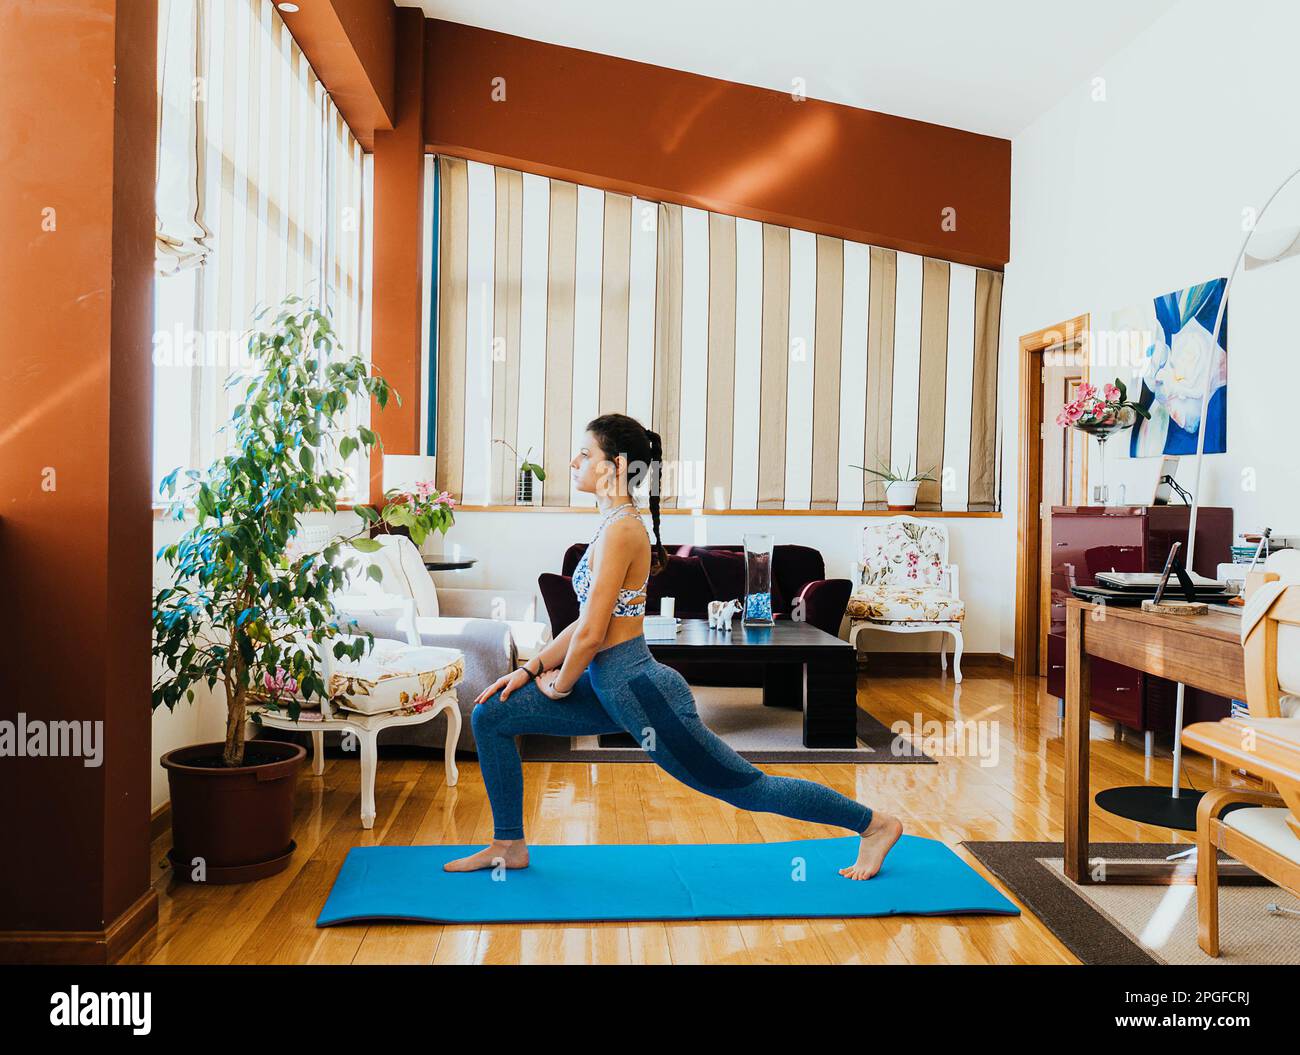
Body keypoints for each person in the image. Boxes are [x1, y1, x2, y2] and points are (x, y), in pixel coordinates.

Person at [445, 413, 903, 879]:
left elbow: (592, 634)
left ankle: (874, 825)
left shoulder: (624, 529)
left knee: (746, 787)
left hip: (642, 694)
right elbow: (583, 620)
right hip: (612, 689)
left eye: (585, 454)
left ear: (617, 466)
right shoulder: (609, 523)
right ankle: (508, 845)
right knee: (493, 714)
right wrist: (527, 672)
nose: (573, 462)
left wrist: (558, 687)